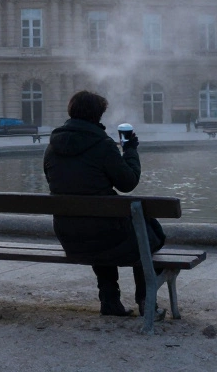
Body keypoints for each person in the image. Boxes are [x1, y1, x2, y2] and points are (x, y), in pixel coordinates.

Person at [44, 90, 165, 318]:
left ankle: (110, 301)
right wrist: (130, 151)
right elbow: (128, 183)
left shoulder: (52, 147)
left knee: (99, 229)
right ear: (98, 115)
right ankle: (145, 300)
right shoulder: (102, 145)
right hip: (102, 235)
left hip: (69, 236)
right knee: (145, 235)